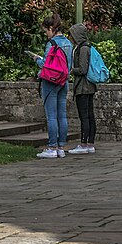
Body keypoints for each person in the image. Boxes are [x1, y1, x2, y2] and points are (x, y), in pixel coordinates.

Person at [32, 13, 73, 159]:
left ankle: (52, 147)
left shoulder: (52, 44)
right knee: (62, 115)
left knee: (51, 116)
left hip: (51, 82)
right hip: (63, 81)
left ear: (51, 28)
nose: (46, 34)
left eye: (46, 31)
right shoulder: (68, 43)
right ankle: (61, 147)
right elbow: (69, 65)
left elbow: (46, 64)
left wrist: (37, 59)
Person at [67, 23, 98, 154]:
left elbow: (83, 69)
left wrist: (71, 70)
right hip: (88, 86)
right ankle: (90, 143)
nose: (70, 37)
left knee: (85, 116)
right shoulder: (86, 47)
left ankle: (84, 143)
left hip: (83, 86)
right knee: (89, 115)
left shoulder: (83, 49)